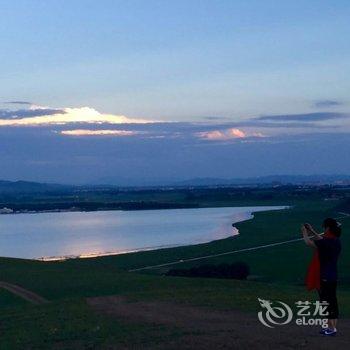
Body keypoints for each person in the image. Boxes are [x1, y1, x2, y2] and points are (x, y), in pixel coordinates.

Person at [301, 218, 341, 336]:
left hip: (324, 277)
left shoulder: (326, 243)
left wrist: (304, 231)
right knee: (332, 301)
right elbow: (322, 239)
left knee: (326, 303)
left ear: (328, 228)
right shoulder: (336, 241)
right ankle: (333, 327)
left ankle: (331, 329)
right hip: (333, 276)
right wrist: (312, 230)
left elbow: (308, 243)